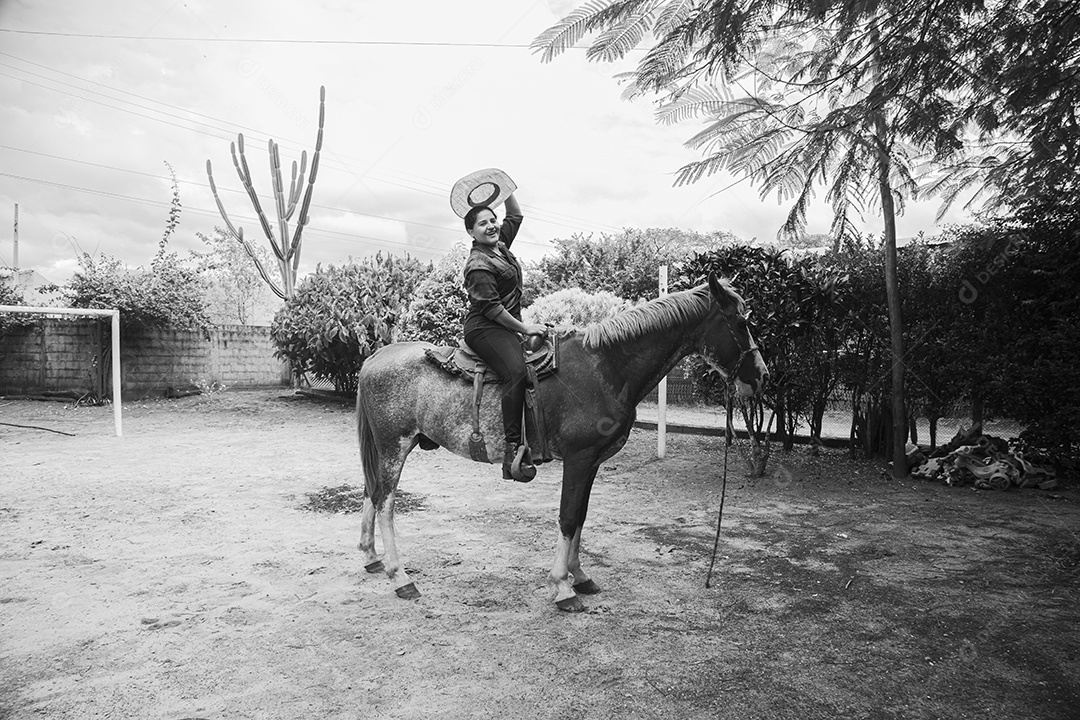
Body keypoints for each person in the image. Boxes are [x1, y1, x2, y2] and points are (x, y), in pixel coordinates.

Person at [462, 191, 547, 482]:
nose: (491, 225)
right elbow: (492, 309)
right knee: (516, 371)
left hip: (504, 326)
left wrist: (506, 188)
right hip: (485, 327)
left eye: (492, 219)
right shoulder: (477, 264)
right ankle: (513, 451)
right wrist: (525, 329)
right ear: (471, 232)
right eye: (482, 223)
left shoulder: (500, 246)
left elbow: (516, 216)